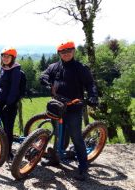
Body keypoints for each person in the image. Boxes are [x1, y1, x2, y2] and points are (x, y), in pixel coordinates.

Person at [39, 40, 99, 181]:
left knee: (76, 136)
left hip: (73, 107)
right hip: (56, 106)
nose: (66, 53)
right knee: (58, 134)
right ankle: (55, 159)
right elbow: (43, 75)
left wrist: (93, 96)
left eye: (68, 50)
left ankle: (83, 168)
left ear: (74, 51)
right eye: (63, 51)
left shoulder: (80, 68)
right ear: (59, 53)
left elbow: (90, 84)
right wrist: (46, 82)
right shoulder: (54, 67)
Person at [0, 47, 23, 162]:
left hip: (10, 104)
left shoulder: (15, 70)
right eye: (4, 56)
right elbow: (1, 85)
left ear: (13, 58)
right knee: (3, 128)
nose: (5, 58)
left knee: (8, 129)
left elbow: (14, 89)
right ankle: (4, 148)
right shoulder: (3, 68)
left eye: (8, 56)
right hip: (2, 102)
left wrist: (9, 104)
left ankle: (8, 153)